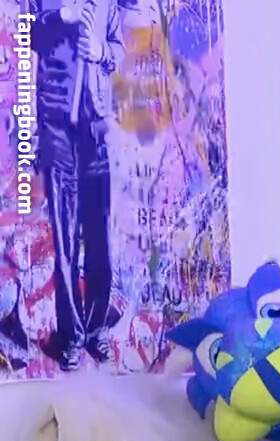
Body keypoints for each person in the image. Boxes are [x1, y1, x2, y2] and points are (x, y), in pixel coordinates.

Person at [30, 0, 142, 368]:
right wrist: (62, 16)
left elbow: (118, 50)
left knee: (99, 237)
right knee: (65, 239)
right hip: (57, 125)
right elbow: (27, 34)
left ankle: (96, 331)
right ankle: (72, 336)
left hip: (97, 128)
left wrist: (100, 51)